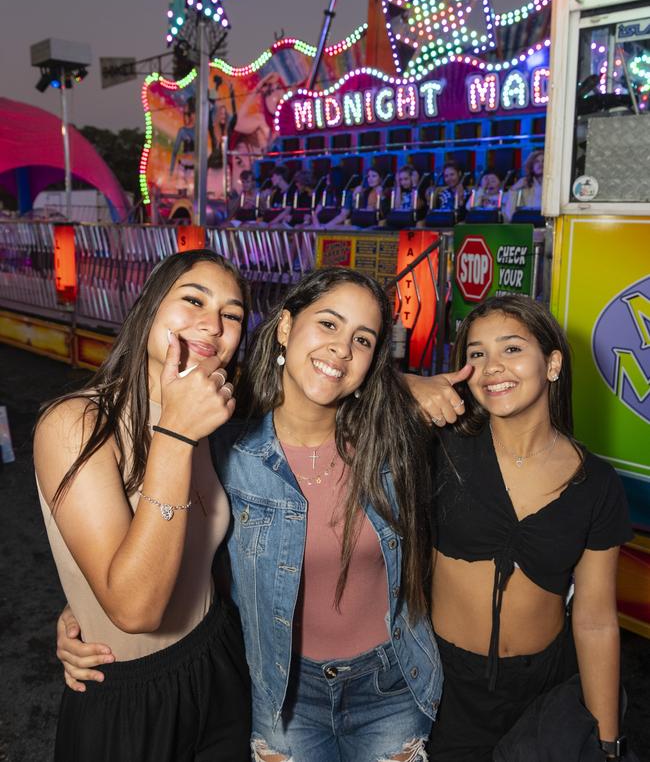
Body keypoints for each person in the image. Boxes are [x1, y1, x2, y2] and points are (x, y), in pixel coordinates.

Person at [55, 268, 446, 762]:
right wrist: (79, 611)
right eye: (328, 324)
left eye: (362, 339)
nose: (342, 349)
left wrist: (416, 386)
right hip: (278, 692)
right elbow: (171, 550)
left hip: (390, 687)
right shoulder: (221, 448)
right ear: (285, 327)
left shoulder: (397, 446)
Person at [35, 250, 252, 762]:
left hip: (217, 658)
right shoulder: (77, 424)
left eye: (233, 314)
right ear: (150, 307)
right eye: (194, 300)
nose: (213, 324)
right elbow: (134, 608)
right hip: (129, 695)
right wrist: (174, 434)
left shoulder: (215, 413)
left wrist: (411, 383)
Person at [425, 296, 633, 761]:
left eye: (512, 349)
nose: (492, 367)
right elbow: (342, 410)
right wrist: (408, 384)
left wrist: (607, 743)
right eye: (476, 354)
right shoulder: (438, 449)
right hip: (440, 684)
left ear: (552, 364)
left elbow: (596, 619)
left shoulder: (596, 484)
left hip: (544, 691)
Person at [503, 149, 544, 221]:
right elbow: (509, 215)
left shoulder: (555, 185)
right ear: (531, 166)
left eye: (543, 161)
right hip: (528, 223)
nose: (540, 164)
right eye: (537, 162)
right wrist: (514, 189)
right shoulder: (523, 184)